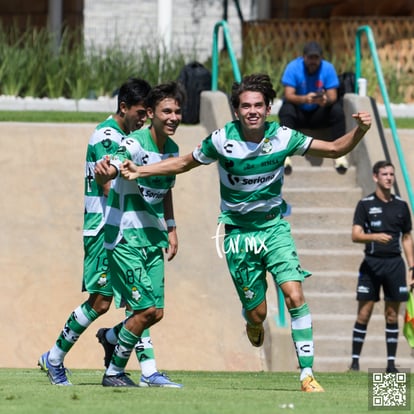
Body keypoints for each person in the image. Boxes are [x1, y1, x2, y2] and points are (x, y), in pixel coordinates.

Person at [117, 73, 372, 392]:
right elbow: (182, 164)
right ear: (236, 111)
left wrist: (360, 130)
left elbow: (334, 149)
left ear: (268, 108)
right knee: (258, 313)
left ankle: (306, 373)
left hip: (273, 229)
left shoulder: (283, 137)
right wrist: (140, 170)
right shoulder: (222, 140)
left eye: (258, 105)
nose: (252, 110)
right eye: (245, 105)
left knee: (294, 295)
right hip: (238, 235)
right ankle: (252, 321)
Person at [38, 78, 168, 386]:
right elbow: (108, 184)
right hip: (103, 229)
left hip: (123, 228)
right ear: (123, 107)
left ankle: (143, 366)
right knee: (100, 302)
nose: (145, 119)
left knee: (140, 299)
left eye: (148, 113)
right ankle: (54, 357)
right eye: (140, 112)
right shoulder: (107, 136)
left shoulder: (128, 137)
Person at [94, 81, 185, 387]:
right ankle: (114, 372)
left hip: (153, 238)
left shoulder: (172, 150)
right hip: (125, 238)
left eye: (177, 111)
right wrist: (108, 169)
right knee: (143, 309)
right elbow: (118, 160)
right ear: (151, 113)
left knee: (155, 312)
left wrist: (171, 228)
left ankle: (110, 337)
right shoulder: (135, 141)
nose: (173, 117)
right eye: (166, 111)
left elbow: (167, 190)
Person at [349, 160, 414, 373]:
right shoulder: (365, 204)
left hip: (395, 265)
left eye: (391, 174)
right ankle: (355, 363)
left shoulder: (401, 206)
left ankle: (391, 365)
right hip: (371, 265)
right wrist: (375, 237)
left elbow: (406, 237)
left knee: (392, 315)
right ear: (375, 177)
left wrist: (412, 267)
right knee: (363, 313)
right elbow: (355, 235)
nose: (389, 178)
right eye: (384, 174)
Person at [278, 41, 348, 174]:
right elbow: (288, 95)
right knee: (286, 109)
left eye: (316, 58)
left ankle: (340, 153)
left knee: (337, 109)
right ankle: (285, 153)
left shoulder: (328, 68)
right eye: (310, 57)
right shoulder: (293, 67)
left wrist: (325, 100)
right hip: (299, 113)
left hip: (318, 113)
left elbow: (333, 95)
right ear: (303, 57)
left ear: (321, 58)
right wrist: (304, 99)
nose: (313, 61)